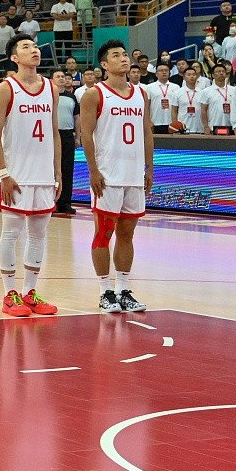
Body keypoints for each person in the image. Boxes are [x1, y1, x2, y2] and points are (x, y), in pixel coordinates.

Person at [0, 36, 59, 317]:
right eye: (26, 47)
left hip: (44, 174)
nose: (34, 50)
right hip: (16, 173)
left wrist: (57, 172)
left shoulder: (51, 88)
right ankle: (9, 294)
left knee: (39, 234)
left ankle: (30, 292)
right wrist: (4, 173)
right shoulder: (6, 88)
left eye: (35, 46)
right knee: (11, 233)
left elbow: (54, 133)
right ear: (14, 57)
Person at [79, 40, 150, 313]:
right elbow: (86, 134)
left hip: (133, 174)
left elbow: (146, 132)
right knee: (103, 233)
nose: (123, 58)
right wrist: (93, 170)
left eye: (124, 54)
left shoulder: (141, 93)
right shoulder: (94, 94)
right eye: (116, 55)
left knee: (127, 234)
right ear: (104, 64)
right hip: (107, 175)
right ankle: (104, 291)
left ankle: (123, 289)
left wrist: (149, 168)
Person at [54, 71, 77, 213]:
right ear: (52, 80)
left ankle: (65, 202)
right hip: (52, 135)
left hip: (67, 135)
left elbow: (77, 117)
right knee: (52, 169)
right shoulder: (49, 95)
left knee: (67, 169)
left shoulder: (71, 97)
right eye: (58, 76)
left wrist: (78, 136)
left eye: (63, 77)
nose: (61, 79)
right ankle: (51, 201)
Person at [141, 62, 187, 134]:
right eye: (161, 70)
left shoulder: (176, 87)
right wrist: (149, 121)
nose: (164, 72)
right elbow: (147, 106)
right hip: (155, 122)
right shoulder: (149, 87)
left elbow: (178, 107)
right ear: (156, 74)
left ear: (170, 73)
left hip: (172, 123)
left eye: (166, 70)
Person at [197, 64, 236, 135]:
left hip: (231, 126)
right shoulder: (206, 91)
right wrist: (206, 127)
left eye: (223, 71)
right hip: (213, 126)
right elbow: (203, 110)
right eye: (218, 71)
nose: (221, 73)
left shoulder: (233, 90)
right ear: (213, 75)